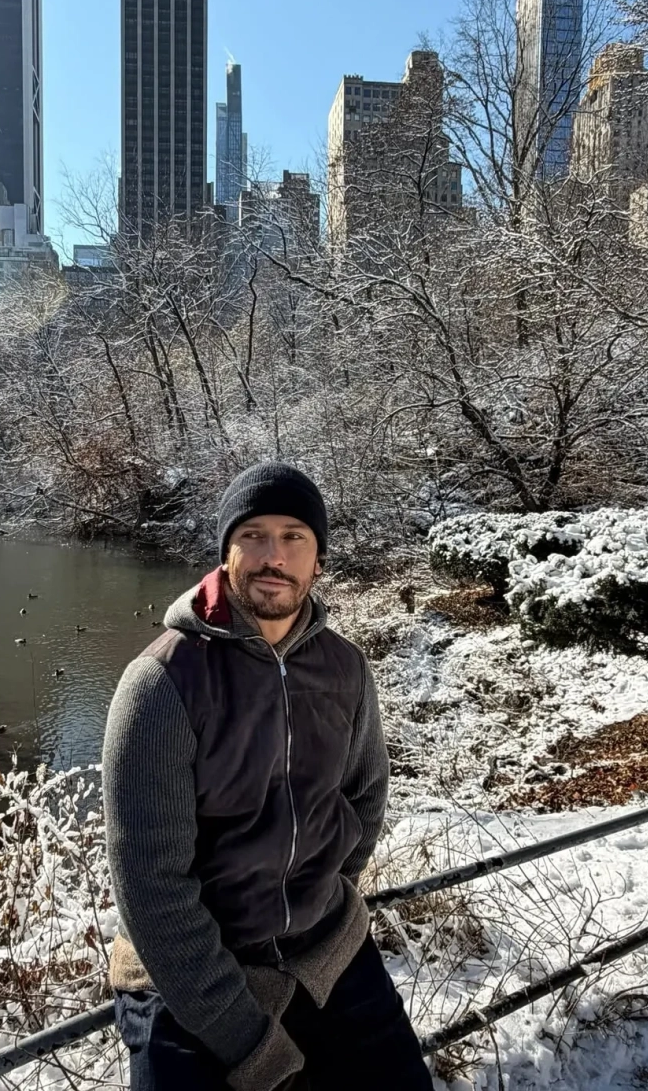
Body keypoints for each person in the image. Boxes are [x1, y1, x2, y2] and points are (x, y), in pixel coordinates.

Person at [102, 462, 432, 1091]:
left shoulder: (344, 668)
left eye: (293, 537)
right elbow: (151, 885)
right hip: (187, 975)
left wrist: (317, 891)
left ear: (318, 561)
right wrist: (244, 1038)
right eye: (252, 535)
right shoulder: (162, 683)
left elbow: (364, 799)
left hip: (325, 950)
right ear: (225, 552)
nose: (272, 556)